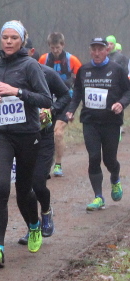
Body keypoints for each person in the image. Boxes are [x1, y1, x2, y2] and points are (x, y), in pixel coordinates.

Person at [0, 21, 52, 267]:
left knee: (23, 190)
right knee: (1, 187)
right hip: (1, 134)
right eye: (5, 37)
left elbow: (46, 99)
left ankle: (34, 225)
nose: (9, 41)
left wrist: (17, 91)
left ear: (22, 40)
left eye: (14, 37)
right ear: (0, 39)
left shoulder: (31, 65)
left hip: (27, 135)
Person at [66, 37, 130, 211]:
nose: (96, 53)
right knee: (94, 157)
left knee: (109, 160)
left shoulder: (116, 70)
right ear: (90, 51)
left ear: (106, 50)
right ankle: (98, 197)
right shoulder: (84, 70)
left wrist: (121, 103)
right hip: (90, 121)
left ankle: (115, 178)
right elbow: (77, 91)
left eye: (100, 49)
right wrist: (71, 110)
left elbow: (128, 91)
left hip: (111, 122)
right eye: (93, 49)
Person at [17, 38, 71, 244]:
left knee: (38, 183)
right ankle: (32, 227)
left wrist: (52, 110)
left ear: (31, 52)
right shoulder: (9, 74)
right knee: (23, 189)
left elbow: (66, 95)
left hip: (44, 136)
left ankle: (46, 211)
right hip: (20, 137)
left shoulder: (47, 73)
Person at [38, 32, 82, 177]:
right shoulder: (43, 59)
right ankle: (45, 164)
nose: (55, 51)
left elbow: (82, 80)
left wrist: (75, 105)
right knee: (45, 133)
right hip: (48, 101)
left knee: (58, 132)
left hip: (66, 100)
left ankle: (58, 164)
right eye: (52, 48)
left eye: (57, 47)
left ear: (63, 45)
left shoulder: (72, 60)